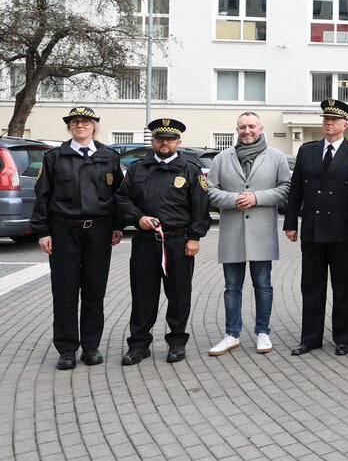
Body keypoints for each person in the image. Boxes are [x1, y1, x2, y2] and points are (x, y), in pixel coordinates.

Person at [31, 106, 124, 370]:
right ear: (69, 127)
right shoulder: (55, 157)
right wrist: (43, 231)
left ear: (94, 126)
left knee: (95, 290)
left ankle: (91, 347)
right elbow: (43, 196)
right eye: (75, 122)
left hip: (99, 230)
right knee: (64, 291)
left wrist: (117, 225)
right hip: (63, 231)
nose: (80, 125)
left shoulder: (109, 156)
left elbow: (118, 195)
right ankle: (67, 349)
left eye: (85, 121)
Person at [117, 118, 212, 366]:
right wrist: (137, 218)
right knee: (142, 295)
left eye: (170, 139)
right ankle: (139, 345)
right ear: (153, 141)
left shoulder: (190, 170)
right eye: (159, 139)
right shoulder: (138, 169)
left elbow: (201, 207)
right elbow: (122, 200)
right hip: (146, 243)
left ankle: (177, 343)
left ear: (178, 142)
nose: (164, 143)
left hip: (178, 242)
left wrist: (194, 237)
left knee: (179, 294)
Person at [284, 99, 348, 357]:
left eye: (333, 120)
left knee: (344, 287)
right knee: (311, 287)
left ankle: (343, 337)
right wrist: (290, 223)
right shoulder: (307, 151)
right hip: (312, 230)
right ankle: (310, 338)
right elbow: (296, 189)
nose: (328, 123)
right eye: (325, 119)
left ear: (346, 124)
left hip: (344, 232)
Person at [205, 112, 292, 357]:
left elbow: (286, 187)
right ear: (237, 129)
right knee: (232, 286)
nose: (247, 131)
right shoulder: (223, 158)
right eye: (242, 127)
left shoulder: (276, 157)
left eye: (251, 126)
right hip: (232, 230)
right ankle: (232, 334)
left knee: (263, 285)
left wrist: (257, 198)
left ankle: (263, 331)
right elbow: (211, 190)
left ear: (261, 128)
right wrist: (234, 200)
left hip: (262, 232)